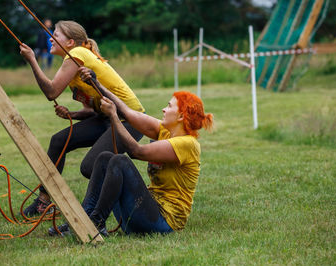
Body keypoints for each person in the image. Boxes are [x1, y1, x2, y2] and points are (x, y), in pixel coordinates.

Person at [49, 68, 214, 236]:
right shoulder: (165, 131)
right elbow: (127, 112)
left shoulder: (187, 144)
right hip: (144, 213)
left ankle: (96, 223)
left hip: (163, 222)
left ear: (180, 117)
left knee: (120, 161)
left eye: (169, 106)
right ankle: (82, 219)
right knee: (105, 157)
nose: (164, 109)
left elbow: (137, 152)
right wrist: (97, 85)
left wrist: (113, 116)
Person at [19, 21, 145, 217]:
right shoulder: (73, 61)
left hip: (130, 121)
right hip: (106, 117)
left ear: (70, 42)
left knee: (89, 167)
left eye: (56, 35)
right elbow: (91, 109)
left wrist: (32, 60)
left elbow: (51, 92)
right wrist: (72, 115)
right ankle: (43, 202)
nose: (51, 38)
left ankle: (104, 210)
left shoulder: (77, 55)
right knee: (59, 141)